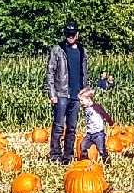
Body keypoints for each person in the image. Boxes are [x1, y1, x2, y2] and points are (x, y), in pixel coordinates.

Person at [45, 22, 87, 164]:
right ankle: (55, 155)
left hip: (76, 95)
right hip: (61, 93)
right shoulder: (58, 50)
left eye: (72, 34)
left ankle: (67, 156)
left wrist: (85, 91)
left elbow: (84, 73)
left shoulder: (82, 50)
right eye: (68, 34)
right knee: (58, 126)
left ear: (77, 34)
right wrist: (52, 94)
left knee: (72, 127)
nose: (70, 37)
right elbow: (50, 72)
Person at [79, 88, 111, 163]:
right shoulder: (86, 109)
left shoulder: (96, 107)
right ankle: (85, 161)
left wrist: (110, 122)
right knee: (83, 145)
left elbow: (105, 114)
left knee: (101, 149)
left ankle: (107, 162)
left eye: (82, 100)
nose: (81, 102)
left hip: (98, 134)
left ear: (89, 99)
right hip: (89, 134)